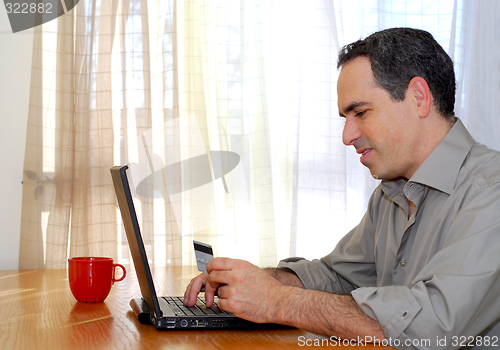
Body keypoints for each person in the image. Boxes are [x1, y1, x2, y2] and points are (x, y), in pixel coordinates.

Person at [184, 27, 500, 348]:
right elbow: (340, 277)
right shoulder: (392, 191)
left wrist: (278, 301)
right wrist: (255, 281)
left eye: (361, 112)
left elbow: (429, 328)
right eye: (345, 117)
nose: (347, 136)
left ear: (418, 97)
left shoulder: (492, 192)